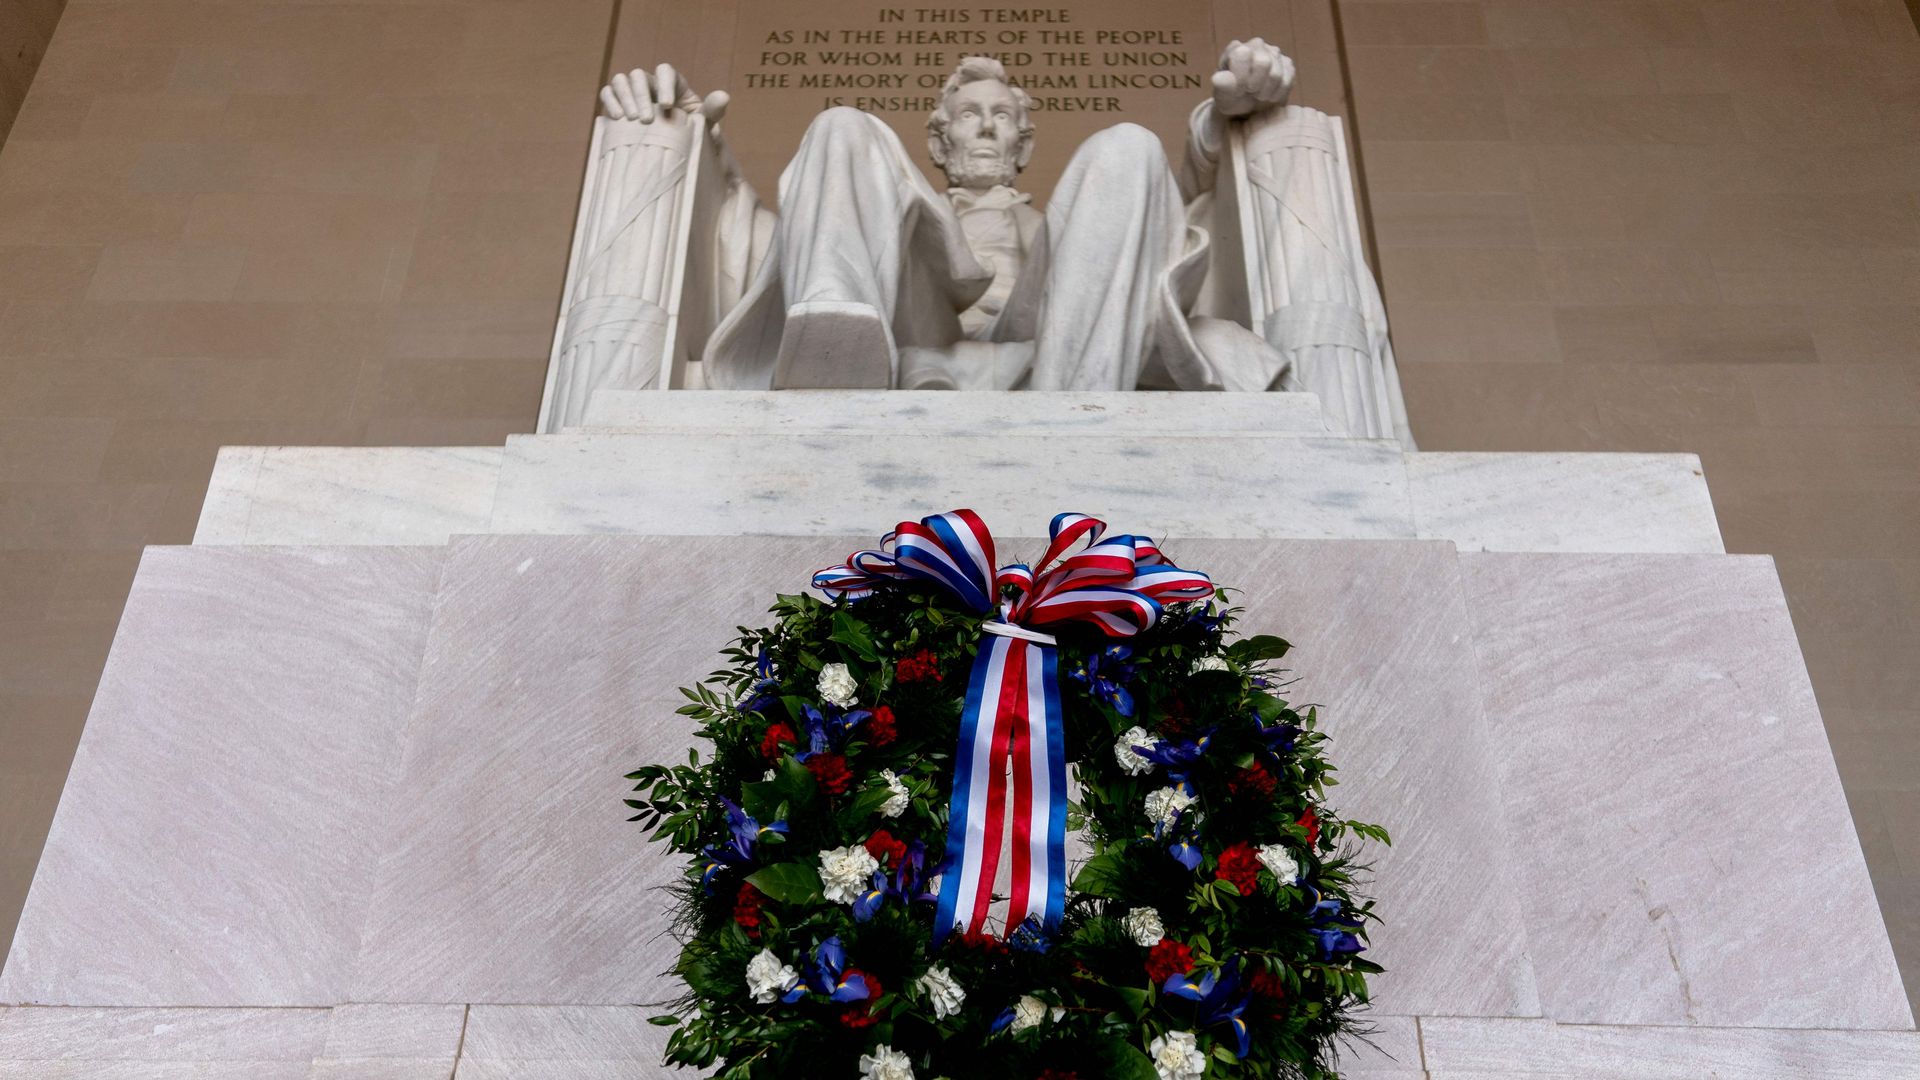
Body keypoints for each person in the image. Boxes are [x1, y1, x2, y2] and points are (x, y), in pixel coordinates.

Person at [595, 43, 1299, 392]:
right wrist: (691, 134)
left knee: (1129, 148)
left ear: (1023, 145)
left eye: (1001, 120)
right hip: (913, 319)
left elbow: (1161, 220)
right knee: (842, 125)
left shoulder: (1053, 221)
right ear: (940, 141)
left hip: (1046, 337)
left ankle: (1082, 415)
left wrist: (1219, 127)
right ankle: (836, 340)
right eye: (970, 117)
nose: (987, 131)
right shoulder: (892, 204)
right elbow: (751, 234)